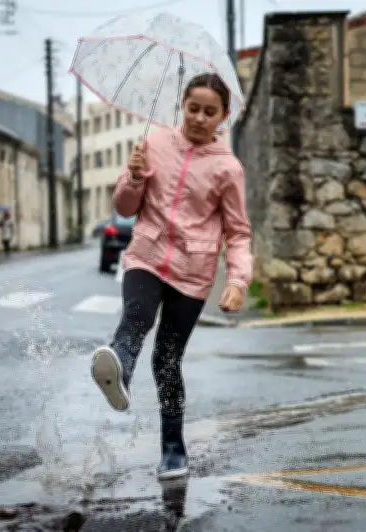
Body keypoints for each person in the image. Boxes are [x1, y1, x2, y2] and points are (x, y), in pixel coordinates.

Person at [90, 72, 253, 481]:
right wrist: (134, 176)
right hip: (146, 255)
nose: (199, 117)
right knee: (136, 317)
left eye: (209, 112)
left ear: (223, 116)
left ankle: (173, 449)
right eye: (192, 108)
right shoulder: (154, 143)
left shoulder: (228, 169)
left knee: (167, 360)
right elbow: (126, 208)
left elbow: (238, 232)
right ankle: (119, 370)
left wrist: (237, 281)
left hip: (192, 274)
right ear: (182, 106)